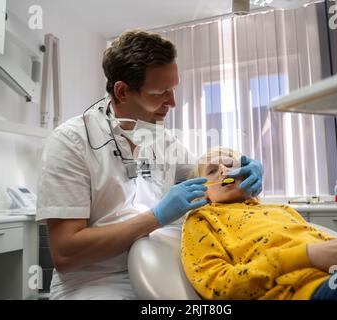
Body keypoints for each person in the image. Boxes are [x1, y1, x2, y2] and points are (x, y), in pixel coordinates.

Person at [36, 30, 263, 299]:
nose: (173, 103)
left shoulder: (163, 140)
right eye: (161, 93)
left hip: (166, 266)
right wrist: (155, 218)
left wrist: (241, 173)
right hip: (97, 282)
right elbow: (66, 252)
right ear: (122, 91)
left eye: (174, 90)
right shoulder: (71, 142)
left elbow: (208, 181)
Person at [181, 147, 337, 300]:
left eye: (231, 165)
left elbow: (321, 249)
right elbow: (219, 285)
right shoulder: (203, 219)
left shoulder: (280, 210)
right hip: (305, 291)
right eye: (212, 170)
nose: (224, 170)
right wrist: (308, 256)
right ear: (204, 193)